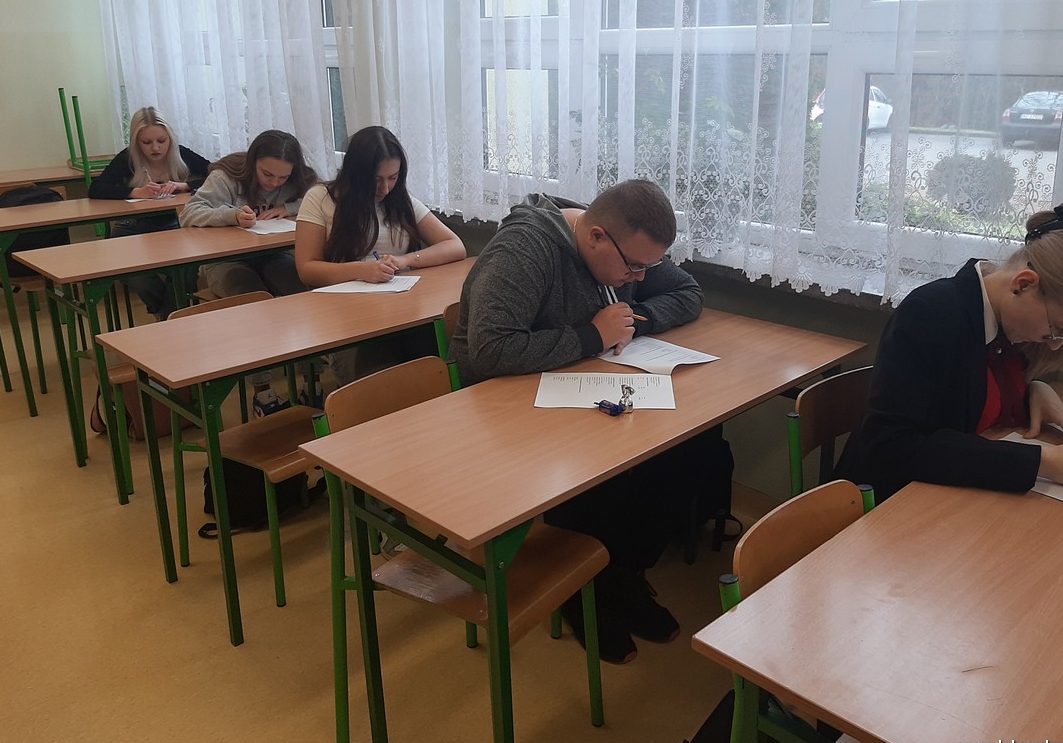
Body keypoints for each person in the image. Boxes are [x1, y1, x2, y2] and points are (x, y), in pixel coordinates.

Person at [450, 178, 705, 665]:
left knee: (686, 450)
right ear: (596, 237)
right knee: (593, 471)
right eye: (634, 268)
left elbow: (688, 292)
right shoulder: (523, 251)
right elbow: (489, 352)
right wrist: (592, 336)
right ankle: (586, 591)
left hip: (573, 387)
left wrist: (633, 320)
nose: (636, 276)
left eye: (646, 268)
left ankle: (622, 574)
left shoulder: (626, 246)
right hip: (499, 407)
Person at [835, 200, 1063, 502]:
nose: (1055, 344)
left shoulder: (1010, 320)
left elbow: (974, 395)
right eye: (1058, 329)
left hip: (955, 497)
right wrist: (1044, 462)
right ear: (1023, 284)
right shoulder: (930, 314)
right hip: (888, 503)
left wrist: (1034, 390)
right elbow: (890, 447)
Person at [295, 125, 466, 384]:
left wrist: (405, 260)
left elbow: (455, 246)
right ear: (356, 173)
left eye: (393, 177)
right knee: (380, 378)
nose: (385, 188)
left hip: (402, 312)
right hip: (347, 318)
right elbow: (307, 268)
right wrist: (361, 270)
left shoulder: (400, 199)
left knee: (437, 366)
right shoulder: (321, 198)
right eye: (375, 179)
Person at [88, 107, 211, 318]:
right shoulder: (127, 158)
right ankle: (170, 318)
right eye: (146, 142)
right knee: (136, 276)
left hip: (172, 228)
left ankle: (166, 320)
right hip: (132, 229)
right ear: (136, 142)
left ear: (170, 138)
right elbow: (95, 189)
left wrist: (185, 186)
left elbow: (217, 173)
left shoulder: (181, 153)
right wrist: (135, 191)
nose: (155, 148)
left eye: (161, 141)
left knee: (186, 270)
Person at [180, 129, 317, 298]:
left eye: (283, 177)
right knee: (252, 296)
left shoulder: (297, 179)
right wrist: (232, 216)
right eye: (267, 174)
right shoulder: (224, 177)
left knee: (302, 291)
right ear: (252, 162)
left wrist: (289, 208)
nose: (275, 182)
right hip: (225, 259)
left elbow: (321, 199)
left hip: (274, 255)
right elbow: (188, 213)